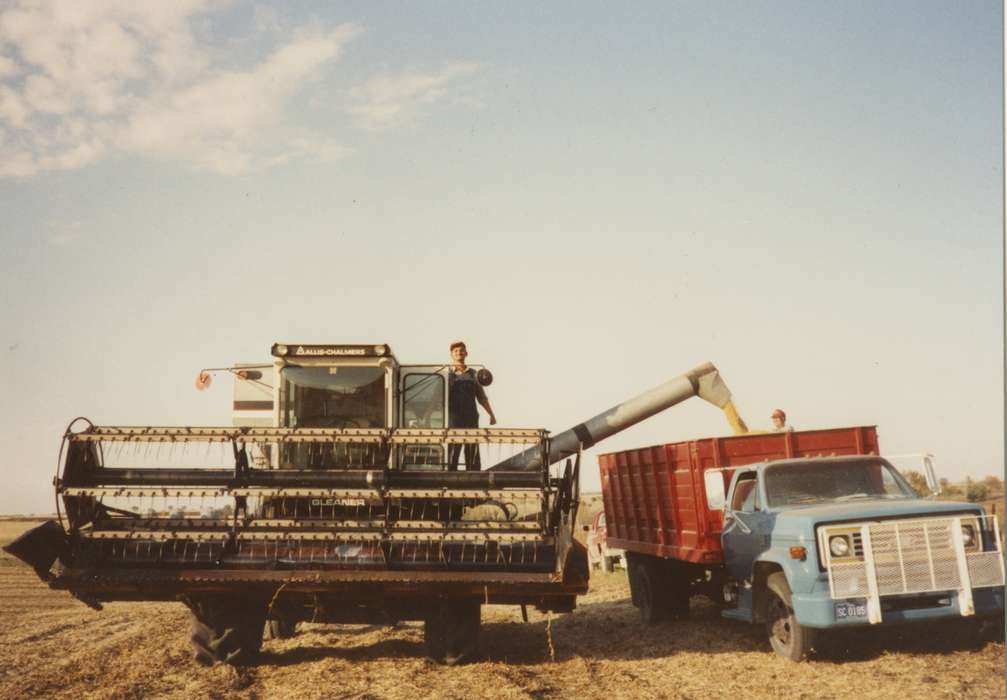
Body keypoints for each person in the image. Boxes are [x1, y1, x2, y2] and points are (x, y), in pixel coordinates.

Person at [447, 341, 496, 471]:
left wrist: (491, 415)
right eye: (456, 351)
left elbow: (482, 397)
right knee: (453, 448)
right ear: (451, 354)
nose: (459, 353)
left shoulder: (474, 374)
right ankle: (450, 477)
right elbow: (437, 396)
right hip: (453, 417)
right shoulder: (446, 374)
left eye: (461, 350)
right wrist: (427, 414)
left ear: (466, 353)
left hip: (471, 416)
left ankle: (473, 478)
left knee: (472, 449)